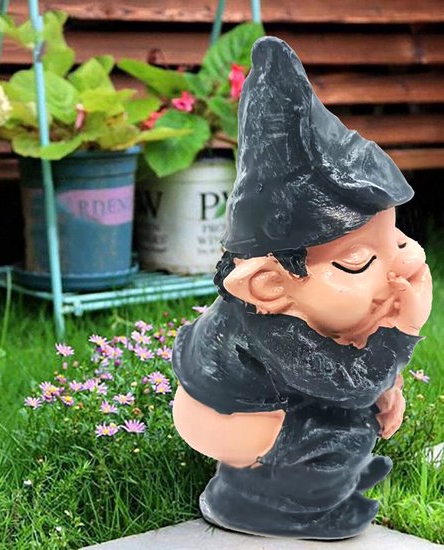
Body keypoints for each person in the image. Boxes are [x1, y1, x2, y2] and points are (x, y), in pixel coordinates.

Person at [171, 36, 432, 540]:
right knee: (346, 427)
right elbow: (349, 384)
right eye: (359, 260)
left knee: (352, 417)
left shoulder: (303, 307)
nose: (407, 262)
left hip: (269, 400)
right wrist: (401, 332)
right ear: (269, 284)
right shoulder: (274, 328)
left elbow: (351, 367)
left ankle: (313, 480)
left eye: (398, 239)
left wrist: (388, 383)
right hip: (234, 414)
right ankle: (274, 503)